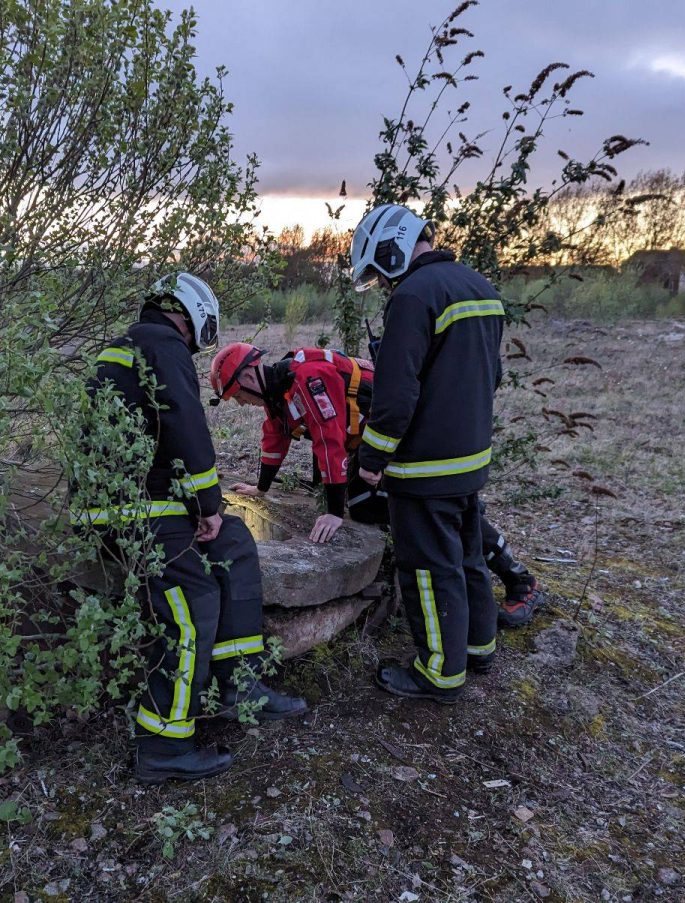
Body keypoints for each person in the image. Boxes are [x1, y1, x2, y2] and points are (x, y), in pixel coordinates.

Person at [80, 272, 306, 784]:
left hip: (140, 500)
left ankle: (238, 683)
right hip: (131, 510)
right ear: (193, 316)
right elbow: (184, 424)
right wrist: (207, 503)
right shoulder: (163, 346)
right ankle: (162, 743)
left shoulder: (131, 346)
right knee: (193, 598)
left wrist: (211, 515)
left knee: (234, 542)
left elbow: (154, 436)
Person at [208, 341, 544, 627]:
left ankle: (519, 579)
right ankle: (443, 535)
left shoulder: (308, 379)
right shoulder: (278, 392)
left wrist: (334, 512)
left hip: (405, 436)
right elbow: (275, 438)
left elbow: (329, 442)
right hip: (375, 444)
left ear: (248, 375)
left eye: (236, 394)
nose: (239, 403)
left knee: (425, 505)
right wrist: (261, 489)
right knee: (368, 505)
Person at [349, 203, 505, 700]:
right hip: (470, 457)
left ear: (390, 250)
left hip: (424, 467)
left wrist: (372, 460)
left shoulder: (414, 297)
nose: (382, 282)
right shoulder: (479, 287)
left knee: (429, 569)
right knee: (467, 557)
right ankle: (479, 646)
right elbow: (490, 376)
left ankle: (439, 672)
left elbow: (396, 394)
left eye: (377, 271)